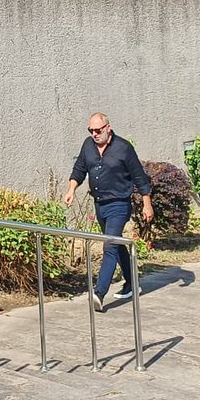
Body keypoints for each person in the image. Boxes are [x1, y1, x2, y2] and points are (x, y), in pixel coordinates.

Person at [63, 112, 153, 311]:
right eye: (91, 130)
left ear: (108, 128)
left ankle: (99, 292)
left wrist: (147, 204)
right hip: (100, 204)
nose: (95, 134)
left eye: (98, 130)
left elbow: (140, 177)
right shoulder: (88, 146)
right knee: (116, 241)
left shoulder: (123, 148)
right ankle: (132, 282)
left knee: (110, 245)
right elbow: (79, 169)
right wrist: (71, 190)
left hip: (119, 204)